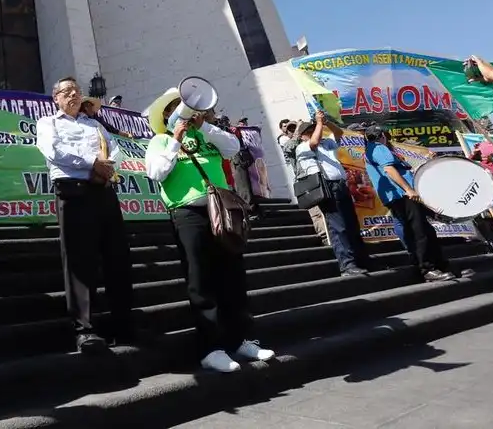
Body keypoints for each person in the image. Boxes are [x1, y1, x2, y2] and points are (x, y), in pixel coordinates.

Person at [144, 88, 274, 372]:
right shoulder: (160, 141)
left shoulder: (206, 134)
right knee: (200, 279)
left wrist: (205, 126)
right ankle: (211, 347)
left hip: (221, 209)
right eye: (176, 108)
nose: (185, 112)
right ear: (166, 116)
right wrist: (175, 141)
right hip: (188, 212)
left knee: (232, 275)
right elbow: (156, 173)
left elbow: (233, 148)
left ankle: (240, 339)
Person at [36, 77, 134, 353]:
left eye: (77, 91)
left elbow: (114, 148)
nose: (74, 95)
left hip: (103, 190)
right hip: (72, 191)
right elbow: (53, 151)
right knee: (79, 260)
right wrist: (91, 163)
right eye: (67, 92)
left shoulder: (95, 124)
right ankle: (85, 329)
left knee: (117, 256)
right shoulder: (48, 123)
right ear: (55, 98)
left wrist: (105, 167)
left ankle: (123, 324)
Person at [364, 125, 455, 282]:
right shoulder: (379, 147)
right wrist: (408, 189)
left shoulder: (375, 149)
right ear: (382, 136)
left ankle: (440, 264)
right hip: (402, 195)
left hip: (402, 195)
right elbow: (389, 170)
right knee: (418, 232)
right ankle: (427, 269)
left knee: (426, 230)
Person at [291, 113, 373, 276]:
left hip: (341, 185)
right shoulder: (302, 147)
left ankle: (361, 259)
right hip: (327, 187)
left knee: (352, 225)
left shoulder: (327, 143)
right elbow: (313, 142)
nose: (316, 131)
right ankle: (347, 264)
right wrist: (320, 123)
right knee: (338, 227)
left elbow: (339, 134)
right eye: (311, 130)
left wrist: (327, 123)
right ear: (303, 136)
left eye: (315, 128)